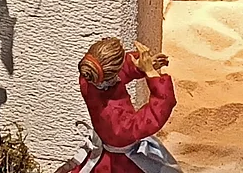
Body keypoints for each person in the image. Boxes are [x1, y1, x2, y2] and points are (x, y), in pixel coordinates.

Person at [64, 37, 178, 173]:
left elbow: (117, 71)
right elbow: (157, 110)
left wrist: (138, 66)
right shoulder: (117, 118)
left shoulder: (88, 80)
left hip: (104, 150)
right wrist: (150, 72)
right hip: (122, 163)